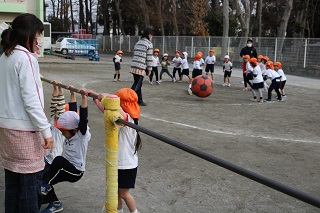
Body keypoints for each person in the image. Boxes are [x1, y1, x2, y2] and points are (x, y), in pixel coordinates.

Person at [0, 13, 54, 213]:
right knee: (30, 188)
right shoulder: (25, 58)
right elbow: (32, 101)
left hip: (6, 130)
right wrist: (46, 132)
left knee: (13, 184)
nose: (40, 38)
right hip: (25, 131)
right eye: (39, 33)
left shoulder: (5, 56)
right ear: (29, 34)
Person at [41, 88, 92, 212]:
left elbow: (83, 120)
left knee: (57, 161)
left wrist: (84, 98)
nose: (63, 135)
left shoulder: (81, 136)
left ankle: (44, 186)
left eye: (64, 132)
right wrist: (73, 94)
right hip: (64, 168)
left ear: (74, 130)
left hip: (75, 172)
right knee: (43, 173)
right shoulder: (71, 130)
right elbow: (73, 113)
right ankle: (55, 202)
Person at [93, 88, 142, 213]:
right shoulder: (117, 118)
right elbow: (108, 110)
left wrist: (104, 97)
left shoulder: (128, 120)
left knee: (124, 193)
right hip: (118, 163)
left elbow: (115, 108)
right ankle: (118, 211)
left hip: (127, 165)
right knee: (115, 192)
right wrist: (95, 98)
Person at [130, 28, 153, 106]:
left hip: (134, 65)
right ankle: (126, 98)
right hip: (141, 66)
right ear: (149, 35)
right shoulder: (149, 44)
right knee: (137, 84)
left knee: (138, 83)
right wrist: (149, 69)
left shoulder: (138, 42)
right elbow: (149, 58)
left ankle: (139, 100)